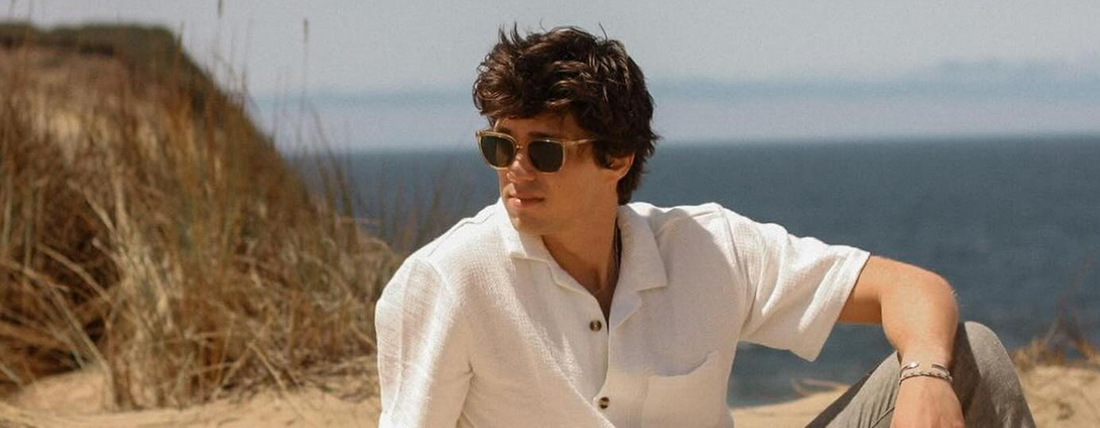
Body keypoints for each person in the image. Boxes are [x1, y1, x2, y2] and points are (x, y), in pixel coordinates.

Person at [375, 26, 1036, 428]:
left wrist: (924, 376)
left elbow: (913, 289)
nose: (516, 170)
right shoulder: (447, 282)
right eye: (500, 146)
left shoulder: (708, 249)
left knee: (970, 351)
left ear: (618, 159)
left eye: (544, 150)